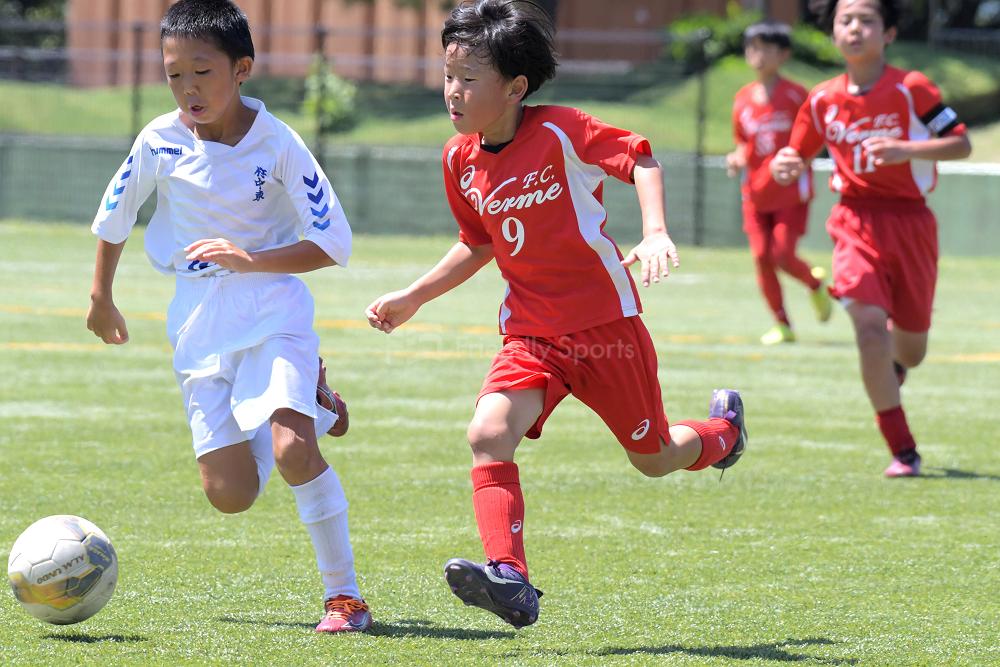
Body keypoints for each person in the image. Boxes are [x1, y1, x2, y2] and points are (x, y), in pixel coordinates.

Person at [365, 0, 747, 629]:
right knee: (488, 434)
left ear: (515, 87)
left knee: (652, 456)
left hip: (605, 326)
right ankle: (510, 578)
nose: (453, 93)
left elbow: (641, 159)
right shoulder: (459, 160)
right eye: (448, 76)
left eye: (469, 80)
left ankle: (722, 435)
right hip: (531, 336)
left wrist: (654, 232)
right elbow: (478, 242)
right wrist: (413, 297)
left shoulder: (561, 130)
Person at [85, 0, 371, 632]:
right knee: (231, 496)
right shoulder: (157, 140)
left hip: (272, 304)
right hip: (195, 319)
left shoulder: (280, 143)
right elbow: (114, 218)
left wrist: (253, 260)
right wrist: (101, 298)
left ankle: (344, 597)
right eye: (174, 74)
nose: (188, 88)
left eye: (203, 71)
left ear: (242, 69)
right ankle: (310, 397)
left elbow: (334, 244)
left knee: (295, 452)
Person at [771, 0, 971, 477]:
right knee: (865, 326)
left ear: (889, 33)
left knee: (912, 351)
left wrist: (906, 149)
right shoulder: (821, 99)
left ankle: (895, 364)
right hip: (854, 221)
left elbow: (961, 142)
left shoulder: (912, 87)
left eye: (867, 20)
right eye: (846, 20)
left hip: (912, 224)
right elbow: (794, 153)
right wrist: (785, 164)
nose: (855, 28)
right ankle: (903, 449)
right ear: (833, 32)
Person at [726, 21, 833, 345]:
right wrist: (737, 156)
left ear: (783, 54)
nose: (757, 54)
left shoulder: (796, 95)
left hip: (789, 191)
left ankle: (815, 285)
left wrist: (800, 164)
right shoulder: (742, 98)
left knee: (783, 255)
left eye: (766, 47)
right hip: (755, 193)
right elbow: (744, 142)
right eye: (752, 47)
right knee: (762, 256)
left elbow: (815, 139)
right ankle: (782, 324)